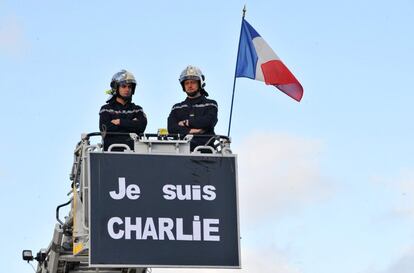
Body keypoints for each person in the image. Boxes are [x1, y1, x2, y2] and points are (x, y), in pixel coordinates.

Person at [168, 65, 218, 151]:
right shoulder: (177, 108)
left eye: (193, 82)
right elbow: (171, 128)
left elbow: (209, 122)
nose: (189, 85)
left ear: (200, 83)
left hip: (206, 152)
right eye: (187, 83)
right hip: (180, 153)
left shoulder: (211, 104)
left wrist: (186, 123)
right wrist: (190, 131)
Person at [99, 69, 147, 151]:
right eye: (124, 86)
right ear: (116, 87)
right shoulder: (106, 109)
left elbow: (141, 126)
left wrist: (119, 122)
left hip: (134, 154)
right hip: (111, 154)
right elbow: (105, 128)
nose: (127, 89)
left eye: (129, 87)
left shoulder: (137, 109)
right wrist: (131, 123)